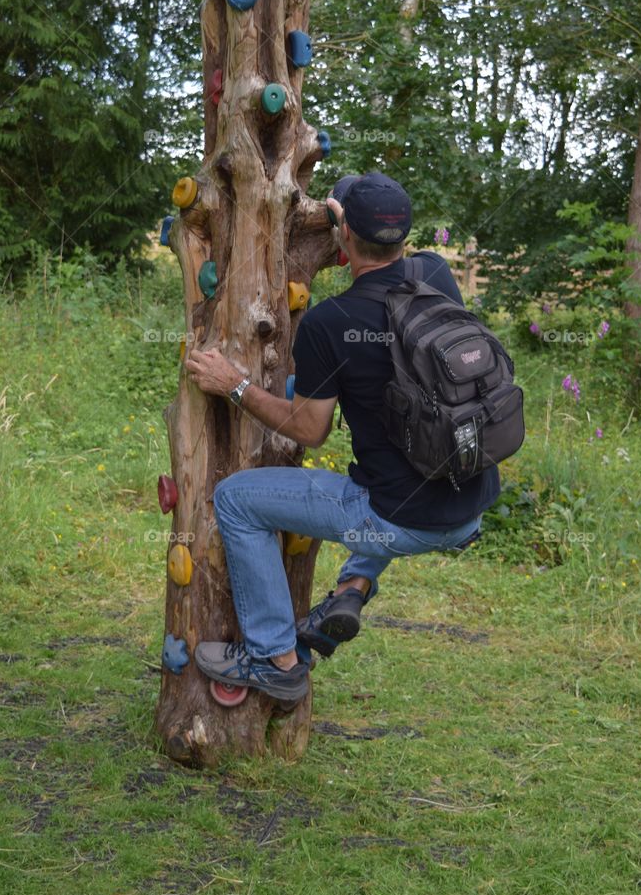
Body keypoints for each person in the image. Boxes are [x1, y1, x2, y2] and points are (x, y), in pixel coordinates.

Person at [185, 172, 501, 704]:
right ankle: (352, 588)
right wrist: (350, 225)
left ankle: (274, 659)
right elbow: (391, 254)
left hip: (397, 522)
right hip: (468, 502)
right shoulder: (437, 277)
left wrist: (232, 384)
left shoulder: (330, 324)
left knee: (235, 500)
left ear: (344, 233)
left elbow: (311, 431)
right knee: (392, 468)